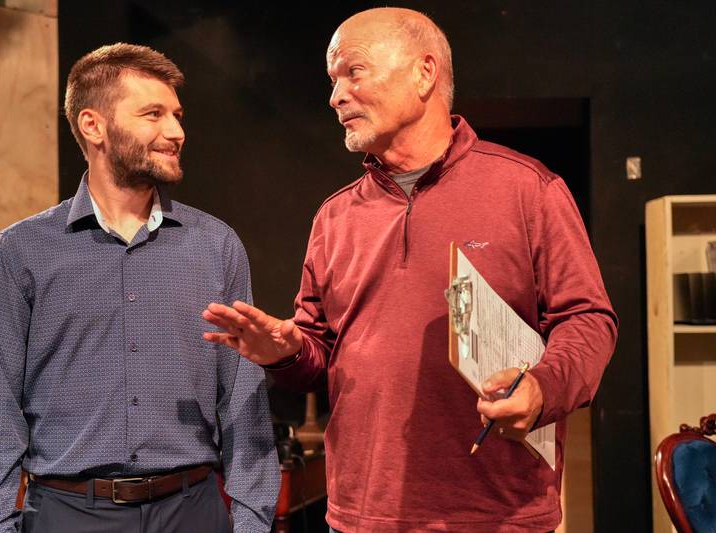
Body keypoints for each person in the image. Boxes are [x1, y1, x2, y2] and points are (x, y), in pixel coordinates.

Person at [203, 7, 617, 532]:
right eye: (332, 80)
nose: (335, 97)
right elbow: (320, 351)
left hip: (497, 516)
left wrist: (542, 387)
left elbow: (589, 319)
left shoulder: (527, 190)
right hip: (360, 514)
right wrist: (285, 353)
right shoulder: (335, 216)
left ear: (424, 73)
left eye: (353, 72)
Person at [0, 43, 280, 533]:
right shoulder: (21, 252)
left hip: (193, 511)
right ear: (94, 125)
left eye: (177, 115)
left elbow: (242, 396)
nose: (176, 131)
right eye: (153, 114)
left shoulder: (216, 245)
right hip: (67, 515)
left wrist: (253, 521)